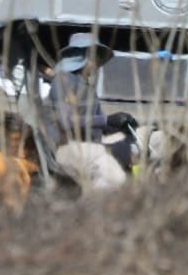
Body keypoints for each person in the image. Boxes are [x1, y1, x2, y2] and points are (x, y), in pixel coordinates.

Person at [43, 33, 138, 191]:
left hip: (91, 146)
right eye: (97, 56)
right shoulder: (62, 81)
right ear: (84, 56)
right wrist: (107, 120)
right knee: (111, 171)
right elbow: (66, 121)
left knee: (138, 146)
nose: (99, 62)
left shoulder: (88, 87)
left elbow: (100, 124)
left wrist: (122, 123)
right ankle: (93, 210)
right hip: (64, 148)